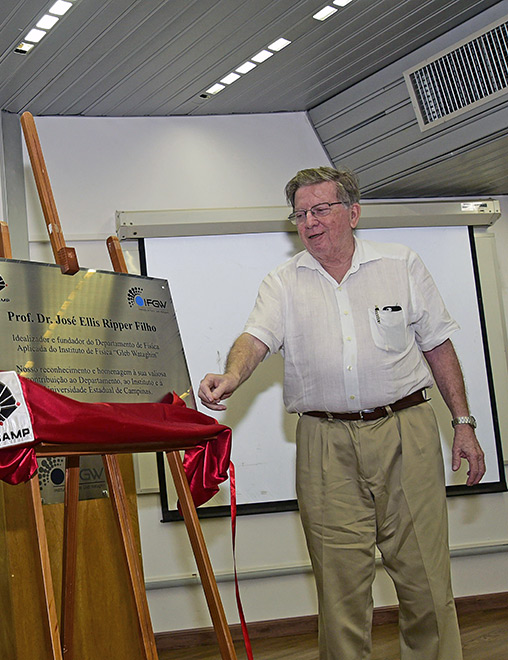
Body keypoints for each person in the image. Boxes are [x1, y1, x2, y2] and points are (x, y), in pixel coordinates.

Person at [198, 167, 485, 660]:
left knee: (425, 581)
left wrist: (463, 423)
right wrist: (232, 376)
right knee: (340, 589)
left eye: (321, 209)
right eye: (300, 214)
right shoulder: (283, 282)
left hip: (406, 431)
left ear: (353, 213)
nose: (309, 222)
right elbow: (256, 338)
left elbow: (438, 345)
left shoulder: (402, 264)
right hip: (324, 444)